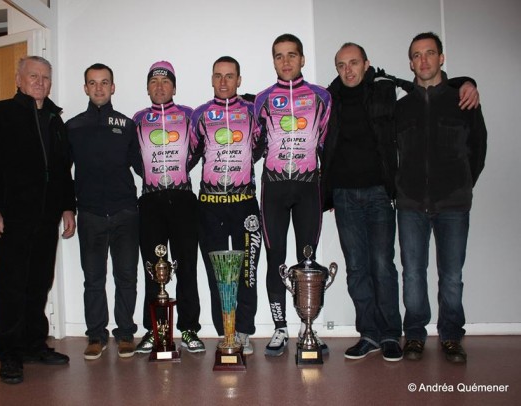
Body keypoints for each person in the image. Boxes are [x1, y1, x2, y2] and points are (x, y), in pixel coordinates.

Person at [322, 43, 481, 362]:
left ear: (367, 63)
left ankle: (392, 334)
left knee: (383, 266)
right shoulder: (328, 98)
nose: (348, 70)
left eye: (354, 62)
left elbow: (426, 86)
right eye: (341, 65)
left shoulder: (385, 89)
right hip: (343, 194)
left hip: (381, 193)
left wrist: (466, 81)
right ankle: (369, 333)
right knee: (356, 268)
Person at [0, 56, 76, 385]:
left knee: (38, 285)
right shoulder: (0, 114)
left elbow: (62, 171)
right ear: (18, 79)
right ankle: (10, 354)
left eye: (45, 77)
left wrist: (67, 208)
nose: (40, 81)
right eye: (33, 75)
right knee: (12, 286)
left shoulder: (56, 121)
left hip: (46, 220)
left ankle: (33, 345)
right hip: (10, 219)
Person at [396, 32, 487, 364]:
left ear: (441, 58)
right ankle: (416, 336)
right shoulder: (402, 108)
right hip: (410, 204)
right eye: (417, 55)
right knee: (413, 273)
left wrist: (462, 184)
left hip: (453, 204)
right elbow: (394, 154)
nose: (424, 61)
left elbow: (478, 148)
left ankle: (451, 336)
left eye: (430, 53)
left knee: (451, 275)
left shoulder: (463, 100)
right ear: (411, 63)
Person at [254, 34, 331, 356]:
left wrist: (330, 193)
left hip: (307, 188)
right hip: (273, 188)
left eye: (291, 55)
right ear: (273, 60)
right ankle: (279, 327)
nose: (285, 62)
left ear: (302, 59)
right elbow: (256, 142)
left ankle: (306, 325)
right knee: (275, 260)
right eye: (279, 56)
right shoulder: (262, 99)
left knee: (307, 258)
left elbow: (327, 145)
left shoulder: (321, 97)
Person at [66, 63, 142, 360]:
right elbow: (62, 173)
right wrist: (66, 209)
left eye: (104, 82)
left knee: (127, 277)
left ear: (113, 87)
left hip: (125, 212)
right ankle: (96, 335)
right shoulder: (72, 127)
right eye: (93, 83)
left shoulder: (126, 125)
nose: (99, 88)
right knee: (93, 279)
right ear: (85, 88)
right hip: (90, 214)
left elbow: (141, 167)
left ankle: (125, 334)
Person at [191, 56, 264, 355]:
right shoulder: (199, 115)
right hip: (209, 205)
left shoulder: (252, 111)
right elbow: (190, 155)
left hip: (245, 203)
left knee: (247, 271)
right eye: (218, 76)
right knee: (215, 273)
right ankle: (226, 333)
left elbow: (262, 147)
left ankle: (244, 330)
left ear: (239, 80)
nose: (223, 82)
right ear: (211, 79)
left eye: (229, 76)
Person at [132, 61, 205, 354]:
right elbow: (134, 157)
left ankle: (189, 328)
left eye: (165, 82)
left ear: (173, 87)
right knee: (153, 268)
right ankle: (154, 330)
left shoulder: (189, 115)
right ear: (147, 87)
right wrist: (150, 174)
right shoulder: (137, 118)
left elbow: (199, 148)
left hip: (183, 199)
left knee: (187, 266)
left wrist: (180, 169)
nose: (159, 87)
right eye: (154, 82)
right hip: (150, 201)